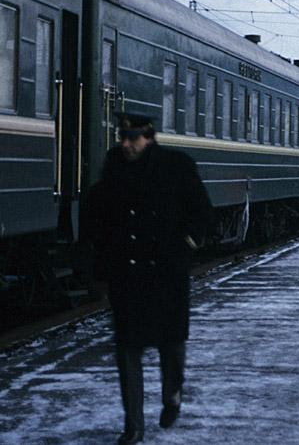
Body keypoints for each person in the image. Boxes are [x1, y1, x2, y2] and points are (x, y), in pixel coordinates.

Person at [85, 111, 213, 445]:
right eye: (123, 138)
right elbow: (102, 228)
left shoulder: (176, 166)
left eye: (134, 138)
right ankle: (134, 426)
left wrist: (186, 245)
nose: (126, 144)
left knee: (171, 346)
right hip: (127, 276)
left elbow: (200, 211)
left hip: (166, 274)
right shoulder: (112, 173)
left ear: (150, 137)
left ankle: (172, 394)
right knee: (127, 351)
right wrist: (100, 271)